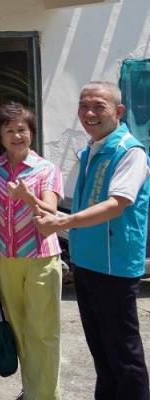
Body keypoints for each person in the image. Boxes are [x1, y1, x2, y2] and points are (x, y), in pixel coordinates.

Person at [35, 81, 150, 400]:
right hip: (87, 263)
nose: (89, 113)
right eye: (83, 106)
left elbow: (118, 203)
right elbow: (84, 207)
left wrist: (65, 221)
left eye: (98, 106)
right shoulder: (90, 151)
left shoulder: (130, 152)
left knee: (123, 355)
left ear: (119, 111)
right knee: (102, 352)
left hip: (114, 266)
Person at [0, 103, 63, 400]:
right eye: (9, 130)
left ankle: (44, 395)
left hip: (41, 258)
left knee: (43, 332)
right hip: (4, 259)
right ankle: (32, 388)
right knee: (19, 330)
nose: (16, 135)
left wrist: (27, 197)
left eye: (22, 129)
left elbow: (51, 212)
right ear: (0, 135)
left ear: (32, 132)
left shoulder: (46, 169)